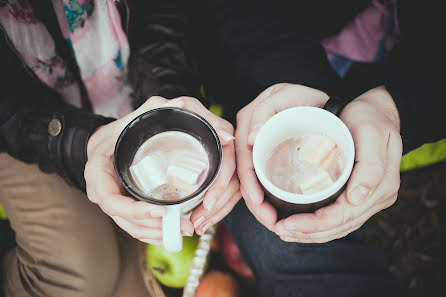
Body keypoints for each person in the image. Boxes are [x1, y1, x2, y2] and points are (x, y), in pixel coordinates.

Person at [190, 0, 445, 296]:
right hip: (267, 59)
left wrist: (399, 106)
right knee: (283, 247)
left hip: (407, 69)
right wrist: (291, 79)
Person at [0, 1, 240, 296]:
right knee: (80, 276)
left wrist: (168, 104)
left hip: (136, 93)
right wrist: (83, 141)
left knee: (127, 287)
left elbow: (164, 19)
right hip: (28, 129)